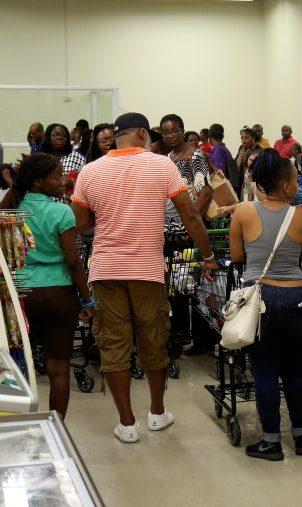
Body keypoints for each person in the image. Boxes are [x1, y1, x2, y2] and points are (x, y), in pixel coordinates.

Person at [71, 112, 217, 443]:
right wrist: (208, 256)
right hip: (148, 272)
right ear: (141, 133)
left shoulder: (90, 172)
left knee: (114, 345)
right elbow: (190, 213)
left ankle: (126, 424)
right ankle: (156, 413)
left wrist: (107, 222)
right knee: (153, 340)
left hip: (106, 271)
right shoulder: (161, 165)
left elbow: (78, 225)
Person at [228, 148, 302, 461]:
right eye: (296, 179)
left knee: (264, 372)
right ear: (288, 186)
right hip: (296, 298)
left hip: (259, 299)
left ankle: (271, 442)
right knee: (293, 369)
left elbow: (237, 257)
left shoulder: (243, 211)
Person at [0, 153, 93, 419]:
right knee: (59, 368)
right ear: (39, 181)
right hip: (58, 295)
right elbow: (74, 263)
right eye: (57, 176)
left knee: (17, 367)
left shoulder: (9, 209)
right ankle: (56, 426)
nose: (63, 180)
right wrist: (87, 300)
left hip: (19, 296)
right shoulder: (61, 211)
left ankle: (19, 420)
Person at [162, 114, 213, 235]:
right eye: (165, 133)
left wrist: (191, 227)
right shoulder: (167, 158)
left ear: (182, 132)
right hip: (169, 231)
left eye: (174, 131)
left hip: (188, 230)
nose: (170, 136)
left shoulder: (195, 156)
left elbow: (206, 193)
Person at [40, 123, 86, 202]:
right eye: (55, 135)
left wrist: (72, 182)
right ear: (48, 137)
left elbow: (85, 181)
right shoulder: (41, 159)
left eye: (64, 136)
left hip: (69, 204)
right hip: (45, 204)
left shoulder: (76, 157)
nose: (60, 138)